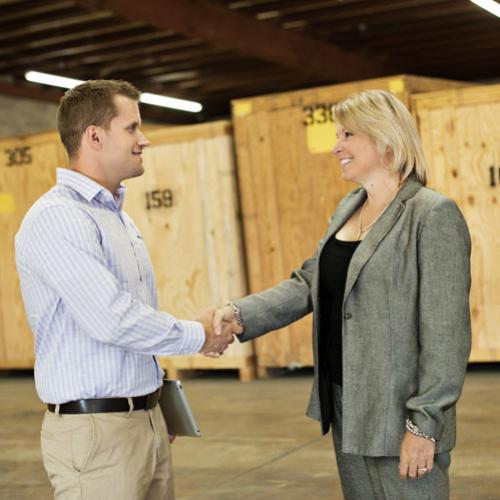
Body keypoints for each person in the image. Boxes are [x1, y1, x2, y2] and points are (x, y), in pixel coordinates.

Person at [214, 89, 471, 500]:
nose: (336, 147)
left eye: (348, 135)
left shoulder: (431, 214)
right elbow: (309, 282)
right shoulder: (349, 207)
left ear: (384, 137)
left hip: (401, 413)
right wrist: (240, 313)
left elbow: (446, 334)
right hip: (348, 402)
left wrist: (425, 424)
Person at [15, 79, 234, 500]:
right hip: (97, 435)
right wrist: (200, 333)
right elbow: (112, 319)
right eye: (132, 128)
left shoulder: (116, 216)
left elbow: (131, 322)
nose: (144, 140)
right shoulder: (59, 218)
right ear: (94, 136)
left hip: (144, 420)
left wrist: (154, 403)